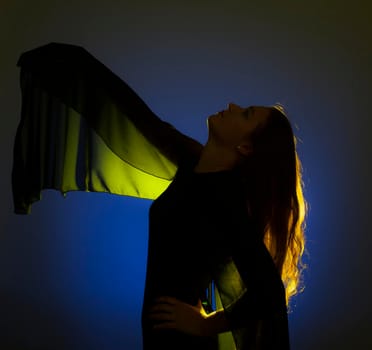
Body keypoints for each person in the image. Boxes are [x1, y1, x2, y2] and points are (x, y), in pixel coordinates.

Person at [13, 43, 306, 350]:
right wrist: (69, 63)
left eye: (245, 115)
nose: (232, 105)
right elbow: (136, 116)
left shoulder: (225, 198)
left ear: (246, 148)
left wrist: (207, 324)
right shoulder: (194, 164)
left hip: (182, 342)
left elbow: (268, 293)